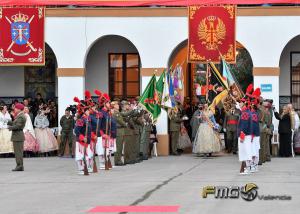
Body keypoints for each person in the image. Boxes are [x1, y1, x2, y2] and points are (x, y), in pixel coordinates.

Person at [7, 103, 26, 171]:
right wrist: (8, 121)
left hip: (18, 136)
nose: (14, 109)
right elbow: (15, 123)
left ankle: (19, 166)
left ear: (18, 109)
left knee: (18, 152)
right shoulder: (19, 115)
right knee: (18, 152)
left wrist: (10, 127)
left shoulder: (21, 116)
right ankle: (20, 165)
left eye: (15, 108)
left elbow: (18, 126)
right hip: (17, 135)